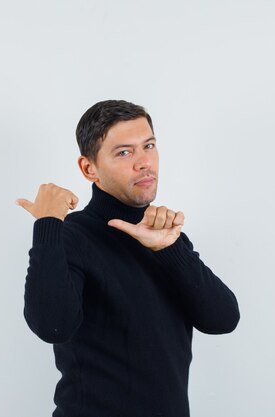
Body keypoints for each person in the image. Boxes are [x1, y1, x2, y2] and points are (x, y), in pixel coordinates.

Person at [15, 99, 240, 417]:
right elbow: (52, 326)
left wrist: (170, 249)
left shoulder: (166, 237)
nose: (144, 162)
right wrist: (49, 224)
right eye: (124, 152)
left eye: (148, 146)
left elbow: (223, 320)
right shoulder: (72, 235)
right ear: (88, 168)